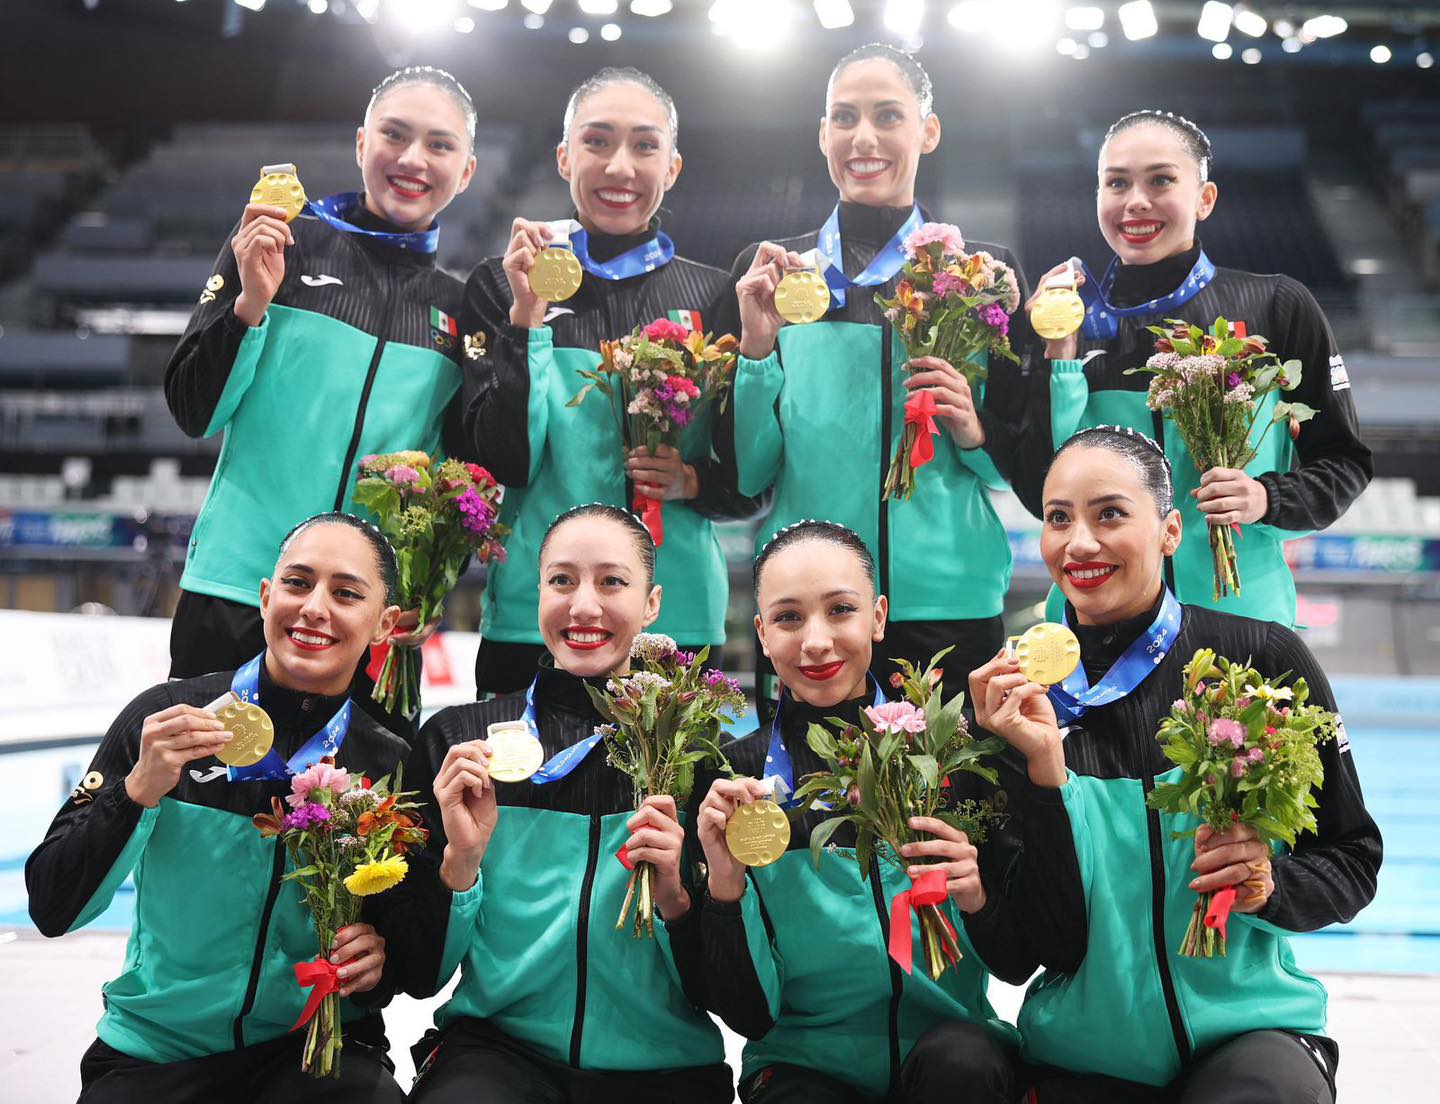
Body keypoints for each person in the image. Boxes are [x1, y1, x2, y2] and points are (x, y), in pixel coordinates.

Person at [972, 425, 1382, 1102]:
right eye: (1057, 519)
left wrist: (1268, 884)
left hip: (1250, 1034)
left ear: (1169, 532)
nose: (1079, 543)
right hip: (1082, 1050)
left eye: (1109, 514)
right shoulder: (1008, 706)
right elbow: (1026, 953)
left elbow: (1352, 858)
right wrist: (1043, 773)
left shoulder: (1262, 661)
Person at [685, 520, 1086, 1103]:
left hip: (955, 1054)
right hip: (803, 1064)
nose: (815, 641)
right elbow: (746, 1016)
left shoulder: (946, 753)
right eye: (789, 617)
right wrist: (726, 885)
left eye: (840, 610)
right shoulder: (732, 782)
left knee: (963, 1064)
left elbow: (1017, 965)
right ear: (762, 634)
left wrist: (975, 896)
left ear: (877, 617)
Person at [26, 512, 411, 1103]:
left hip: (314, 1053)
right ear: (264, 596)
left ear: (383, 624)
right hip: (157, 1051)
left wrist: (381, 952)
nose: (313, 608)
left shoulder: (389, 763)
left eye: (346, 593)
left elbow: (413, 952)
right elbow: (53, 906)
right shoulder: (165, 719)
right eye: (297, 583)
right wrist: (139, 789)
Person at [712, 43, 1033, 722]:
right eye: (845, 118)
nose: (864, 137)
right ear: (823, 134)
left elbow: (1018, 472)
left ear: (927, 129)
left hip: (951, 605)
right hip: (814, 611)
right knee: (811, 821)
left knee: (951, 820)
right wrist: (760, 347)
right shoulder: (772, 274)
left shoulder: (984, 275)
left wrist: (974, 431)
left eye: (888, 116)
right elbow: (748, 475)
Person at [164, 66, 479, 735]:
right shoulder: (278, 242)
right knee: (200, 811)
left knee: (356, 830)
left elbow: (461, 486)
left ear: (468, 171)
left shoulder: (459, 309)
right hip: (239, 592)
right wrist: (251, 301)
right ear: (362, 142)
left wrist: (424, 588)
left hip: (370, 622)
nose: (413, 159)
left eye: (440, 144)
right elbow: (193, 409)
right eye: (395, 134)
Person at [382, 504, 731, 1103]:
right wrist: (459, 865)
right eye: (562, 581)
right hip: (496, 1057)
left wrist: (678, 897)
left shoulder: (696, 754)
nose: (584, 607)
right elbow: (416, 977)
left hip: (664, 1071)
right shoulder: (460, 746)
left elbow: (723, 995)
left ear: (652, 604)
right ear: (536, 591)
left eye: (612, 581)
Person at [460, 67, 759, 698]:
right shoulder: (501, 282)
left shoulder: (713, 295)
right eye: (597, 142)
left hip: (673, 623)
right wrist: (525, 322)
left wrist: (694, 480)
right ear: (565, 157)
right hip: (534, 618)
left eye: (644, 145)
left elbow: (753, 482)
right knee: (522, 796)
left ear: (672, 167)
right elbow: (503, 462)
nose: (620, 166)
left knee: (664, 799)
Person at [1016, 109, 1372, 627]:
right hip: (1097, 628)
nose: (1136, 200)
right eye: (1117, 182)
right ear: (1098, 197)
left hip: (1244, 622)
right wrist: (1059, 361)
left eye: (1161, 179)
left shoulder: (1276, 305)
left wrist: (1266, 498)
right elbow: (1036, 489)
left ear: (1204, 199)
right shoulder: (1064, 321)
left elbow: (1345, 462)